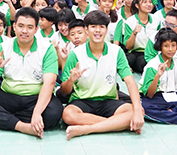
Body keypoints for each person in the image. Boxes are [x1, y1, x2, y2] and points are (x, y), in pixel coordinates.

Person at [0, 7, 63, 138]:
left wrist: (37, 113)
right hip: (9, 95)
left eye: (30, 27)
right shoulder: (4, 47)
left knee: (54, 113)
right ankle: (22, 126)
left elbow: (49, 83)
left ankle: (2, 120)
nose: (24, 31)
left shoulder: (47, 49)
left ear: (36, 29)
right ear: (14, 27)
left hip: (35, 97)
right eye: (20, 26)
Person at [57, 10, 144, 139]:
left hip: (108, 100)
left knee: (137, 111)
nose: (98, 30)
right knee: (68, 114)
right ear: (86, 30)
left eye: (102, 27)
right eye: (93, 27)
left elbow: (130, 82)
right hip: (82, 101)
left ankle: (87, 129)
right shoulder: (75, 54)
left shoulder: (116, 51)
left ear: (106, 29)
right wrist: (71, 80)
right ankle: (116, 123)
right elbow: (64, 91)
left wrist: (137, 111)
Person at [114, 0, 158, 73]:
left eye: (150, 2)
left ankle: (131, 67)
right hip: (134, 52)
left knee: (144, 62)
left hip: (150, 52)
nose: (149, 4)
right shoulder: (130, 21)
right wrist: (134, 33)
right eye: (145, 2)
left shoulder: (156, 20)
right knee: (129, 59)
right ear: (137, 5)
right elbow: (128, 46)